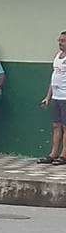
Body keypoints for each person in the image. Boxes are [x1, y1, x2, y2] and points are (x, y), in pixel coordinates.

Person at [40, 31, 66, 164]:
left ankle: (64, 155)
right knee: (56, 125)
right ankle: (54, 153)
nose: (60, 43)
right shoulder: (57, 56)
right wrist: (48, 97)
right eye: (59, 40)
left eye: (63, 40)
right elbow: (54, 77)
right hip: (56, 97)